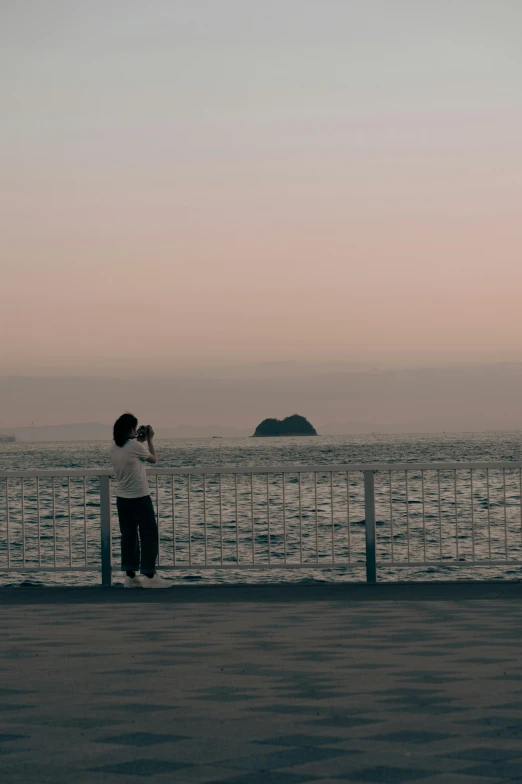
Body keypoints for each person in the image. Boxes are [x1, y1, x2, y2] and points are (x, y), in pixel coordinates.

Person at [110, 413, 173, 588]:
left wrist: (140, 442)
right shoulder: (134, 446)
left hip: (122, 498)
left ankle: (130, 577)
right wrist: (151, 440)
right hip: (139, 497)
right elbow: (153, 459)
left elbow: (133, 453)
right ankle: (150, 576)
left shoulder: (114, 447)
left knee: (129, 537)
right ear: (131, 429)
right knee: (149, 535)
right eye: (135, 428)